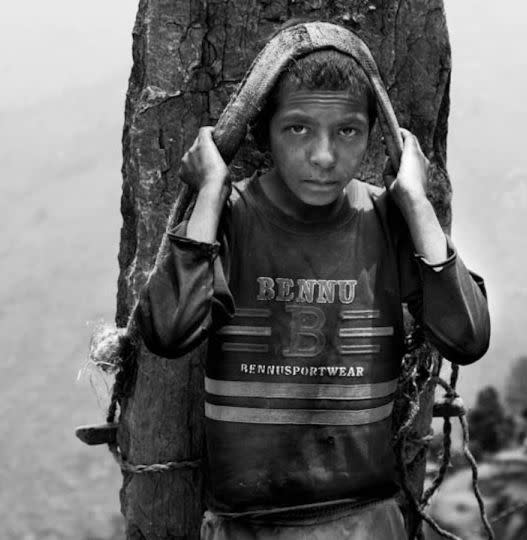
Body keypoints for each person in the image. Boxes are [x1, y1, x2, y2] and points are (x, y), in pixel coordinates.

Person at [135, 23, 490, 540]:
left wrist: (414, 201)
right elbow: (167, 332)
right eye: (298, 129)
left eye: (347, 131)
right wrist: (211, 191)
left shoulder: (386, 221)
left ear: (374, 137)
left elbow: (468, 338)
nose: (323, 156)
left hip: (367, 521)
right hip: (246, 527)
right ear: (265, 133)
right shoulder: (232, 220)